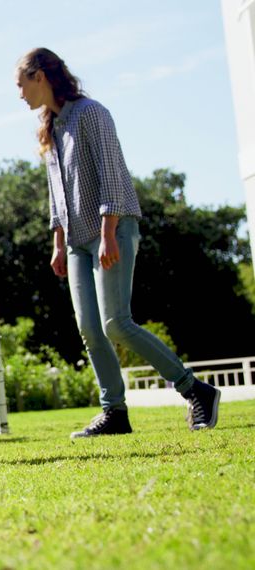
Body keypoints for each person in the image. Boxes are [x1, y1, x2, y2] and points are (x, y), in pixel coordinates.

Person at [15, 48, 221, 438]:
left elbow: (112, 176)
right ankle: (115, 413)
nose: (19, 94)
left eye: (21, 85)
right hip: (76, 241)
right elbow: (56, 192)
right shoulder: (51, 128)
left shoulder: (91, 113)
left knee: (117, 324)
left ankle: (196, 390)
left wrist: (109, 235)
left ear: (40, 76)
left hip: (112, 229)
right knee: (90, 328)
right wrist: (58, 241)